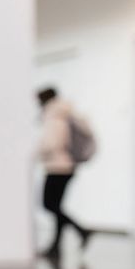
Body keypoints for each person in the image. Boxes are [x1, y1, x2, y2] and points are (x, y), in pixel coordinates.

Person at [37, 87, 93, 258]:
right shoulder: (65, 113)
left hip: (58, 166)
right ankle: (56, 246)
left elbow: (53, 143)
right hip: (66, 166)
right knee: (56, 206)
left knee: (49, 204)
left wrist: (36, 152)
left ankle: (82, 230)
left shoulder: (55, 115)